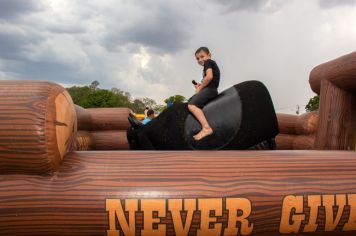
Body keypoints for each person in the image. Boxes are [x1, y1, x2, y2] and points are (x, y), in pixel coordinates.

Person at [188, 47, 220, 141]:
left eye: (202, 56)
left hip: (211, 90)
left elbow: (209, 77)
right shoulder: (208, 65)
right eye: (197, 58)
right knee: (191, 100)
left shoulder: (208, 62)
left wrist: (200, 88)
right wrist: (200, 85)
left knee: (191, 105)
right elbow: (207, 80)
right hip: (210, 89)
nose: (200, 60)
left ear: (209, 55)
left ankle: (206, 128)